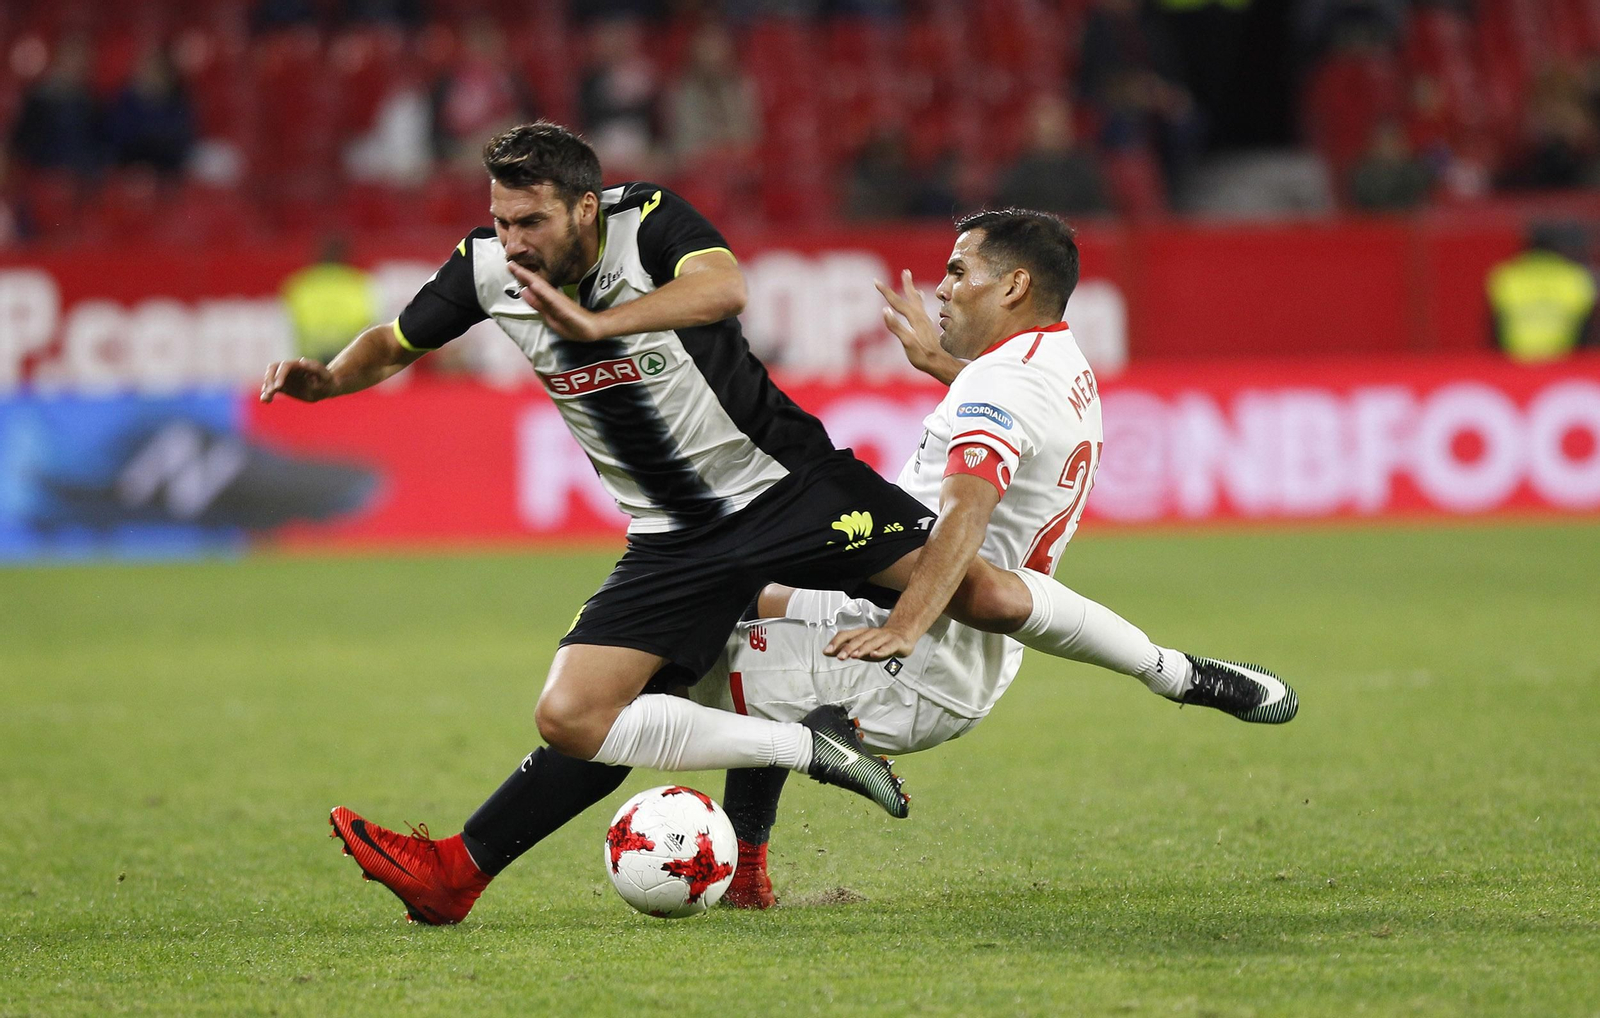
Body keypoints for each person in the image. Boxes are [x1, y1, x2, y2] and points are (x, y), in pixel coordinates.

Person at [261, 125, 1289, 926]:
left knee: (966, 581)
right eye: (501, 219)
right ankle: (771, 772)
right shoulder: (487, 269)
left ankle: (1178, 673)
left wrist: (600, 324)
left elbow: (723, 286)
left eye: (532, 221)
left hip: (789, 487)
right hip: (673, 534)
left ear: (587, 206)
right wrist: (328, 383)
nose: (513, 242)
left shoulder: (649, 218)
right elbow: (395, 340)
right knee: (576, 713)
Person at [689, 211, 1297, 907]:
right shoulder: (1058, 363)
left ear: (1012, 286)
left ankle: (819, 750)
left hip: (909, 667)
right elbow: (1002, 416)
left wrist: (906, 626)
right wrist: (941, 369)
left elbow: (963, 516)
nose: (943, 289)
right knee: (737, 594)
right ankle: (749, 875)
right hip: (964, 650)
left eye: (957, 270)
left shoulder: (999, 387)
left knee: (639, 674)